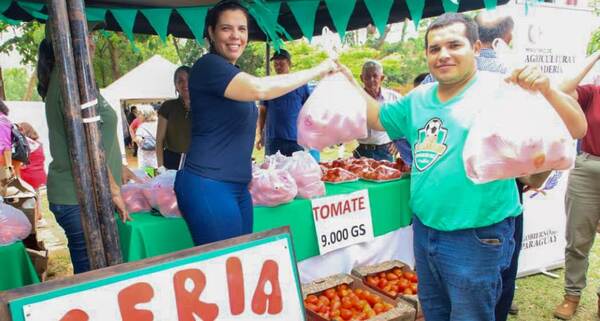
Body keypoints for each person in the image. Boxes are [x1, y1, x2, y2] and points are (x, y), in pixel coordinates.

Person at [337, 13, 586, 321]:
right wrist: (348, 81)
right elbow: (377, 117)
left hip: (477, 236)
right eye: (434, 48)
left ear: (477, 47)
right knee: (435, 313)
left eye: (454, 45)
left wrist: (548, 89)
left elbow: (577, 127)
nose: (443, 54)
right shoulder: (418, 98)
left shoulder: (503, 88)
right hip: (426, 230)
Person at [175, 0, 336, 247]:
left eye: (242, 29)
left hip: (238, 185)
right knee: (225, 266)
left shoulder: (230, 71)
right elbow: (260, 88)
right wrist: (320, 68)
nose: (235, 36)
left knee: (243, 262)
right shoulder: (209, 66)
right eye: (226, 28)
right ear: (210, 32)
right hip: (208, 183)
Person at [37, 24, 133, 274]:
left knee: (93, 271)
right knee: (93, 275)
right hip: (77, 197)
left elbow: (96, 135)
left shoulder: (74, 76)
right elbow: (88, 147)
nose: (89, 41)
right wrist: (113, 191)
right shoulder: (70, 81)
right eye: (81, 35)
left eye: (90, 35)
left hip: (78, 194)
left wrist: (119, 165)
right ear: (61, 43)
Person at [554, 49, 600, 320]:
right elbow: (561, 89)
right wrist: (595, 55)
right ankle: (572, 296)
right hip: (587, 168)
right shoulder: (592, 93)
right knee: (578, 239)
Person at [256, 49, 310, 156]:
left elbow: (308, 109)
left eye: (281, 63)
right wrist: (258, 134)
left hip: (296, 139)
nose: (278, 66)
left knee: (297, 171)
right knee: (273, 171)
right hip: (273, 139)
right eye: (275, 64)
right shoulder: (268, 84)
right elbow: (262, 110)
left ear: (289, 64)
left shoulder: (300, 83)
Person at [352, 60, 402, 162]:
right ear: (362, 78)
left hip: (385, 151)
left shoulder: (393, 98)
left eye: (375, 76)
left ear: (382, 78)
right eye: (367, 76)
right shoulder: (354, 99)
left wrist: (399, 141)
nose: (371, 80)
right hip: (361, 151)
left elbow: (405, 120)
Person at [156, 66, 191, 171]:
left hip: (196, 162)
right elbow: (159, 140)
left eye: (188, 80)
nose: (185, 84)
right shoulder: (167, 106)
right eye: (180, 81)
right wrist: (160, 167)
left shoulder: (204, 107)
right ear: (176, 86)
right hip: (171, 162)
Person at [17, 122, 47, 222]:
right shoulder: (39, 144)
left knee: (28, 199)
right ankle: (39, 216)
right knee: (36, 196)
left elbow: (21, 162)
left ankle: (32, 219)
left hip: (27, 176)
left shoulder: (24, 144)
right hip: (39, 175)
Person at [134, 105, 158, 169]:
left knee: (146, 174)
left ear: (145, 115)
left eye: (140, 114)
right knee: (156, 173)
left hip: (145, 157)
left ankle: (150, 177)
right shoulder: (158, 124)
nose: (138, 116)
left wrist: (137, 140)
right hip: (157, 154)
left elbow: (138, 139)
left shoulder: (142, 127)